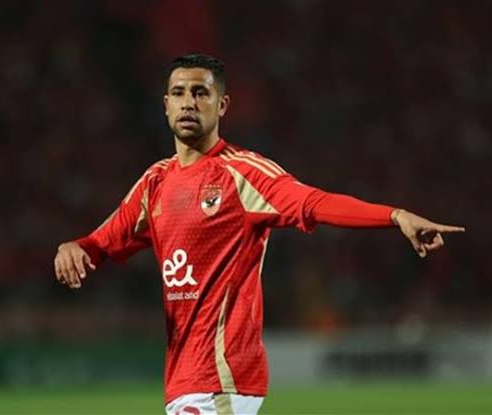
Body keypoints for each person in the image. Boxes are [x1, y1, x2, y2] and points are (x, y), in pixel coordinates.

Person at [54, 53, 465, 415]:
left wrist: (394, 216)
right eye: (179, 93)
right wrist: (73, 247)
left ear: (222, 105)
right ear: (165, 105)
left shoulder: (244, 173)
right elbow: (101, 242)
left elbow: (314, 203)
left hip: (221, 377)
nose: (188, 102)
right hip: (183, 382)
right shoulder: (154, 183)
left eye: (200, 93)